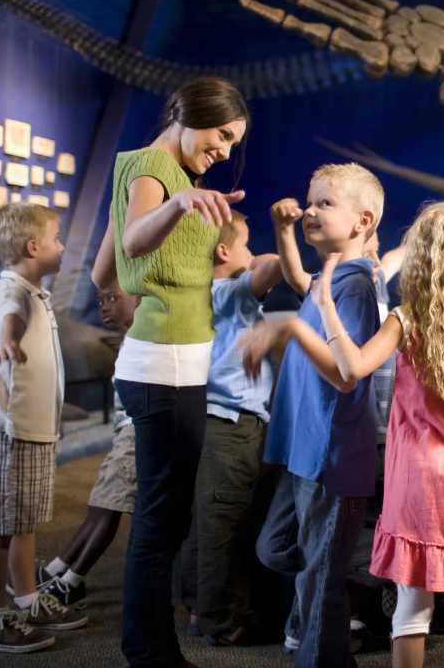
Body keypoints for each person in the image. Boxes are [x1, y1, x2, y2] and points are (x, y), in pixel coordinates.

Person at [261, 194, 444, 668]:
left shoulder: (408, 320)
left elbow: (351, 368)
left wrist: (323, 310)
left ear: (425, 258)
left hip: (415, 482)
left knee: (412, 607)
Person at [92, 75, 249, 668]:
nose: (226, 151)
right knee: (161, 519)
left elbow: (102, 271)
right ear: (191, 115)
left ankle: (151, 646)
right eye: (222, 136)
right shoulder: (159, 172)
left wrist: (141, 302)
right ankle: (149, 652)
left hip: (164, 361)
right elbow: (132, 242)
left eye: (234, 143)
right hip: (166, 369)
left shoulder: (153, 170)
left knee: (165, 515)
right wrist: (178, 204)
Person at [242, 162, 385, 668]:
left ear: (362, 220)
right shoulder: (333, 274)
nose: (311, 211)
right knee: (277, 548)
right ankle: (324, 606)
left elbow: (347, 373)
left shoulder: (357, 285)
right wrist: (283, 230)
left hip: (330, 453)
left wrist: (287, 329)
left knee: (321, 574)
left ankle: (322, 629)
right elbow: (301, 279)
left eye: (326, 203)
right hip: (303, 451)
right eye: (311, 201)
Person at [0, 204, 86, 653]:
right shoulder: (13, 292)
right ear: (33, 247)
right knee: (2, 528)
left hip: (36, 432)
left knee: (24, 523)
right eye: (58, 238)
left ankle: (26, 598)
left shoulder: (34, 291)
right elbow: (11, 316)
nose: (62, 246)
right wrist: (6, 339)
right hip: (13, 431)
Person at [196, 212, 284, 644]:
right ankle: (221, 622)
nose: (252, 252)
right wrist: (259, 257)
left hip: (219, 424)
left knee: (210, 520)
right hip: (234, 425)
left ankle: (201, 608)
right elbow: (273, 265)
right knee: (225, 523)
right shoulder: (230, 293)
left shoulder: (203, 294)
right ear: (222, 251)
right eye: (245, 244)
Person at [32, 281, 141, 610]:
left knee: (107, 511)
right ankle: (57, 571)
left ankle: (71, 580)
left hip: (135, 436)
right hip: (125, 435)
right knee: (98, 508)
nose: (105, 306)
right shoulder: (129, 339)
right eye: (101, 300)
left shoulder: (144, 339)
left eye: (113, 298)